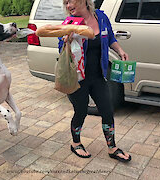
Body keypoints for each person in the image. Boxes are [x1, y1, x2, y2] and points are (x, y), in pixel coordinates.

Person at [59, 0, 131, 162]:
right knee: (81, 112)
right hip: (78, 78)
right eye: (66, 3)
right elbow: (61, 49)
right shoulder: (69, 23)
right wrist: (66, 41)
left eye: (71, 1)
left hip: (98, 76)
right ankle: (75, 143)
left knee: (107, 110)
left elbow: (110, 37)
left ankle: (112, 147)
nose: (68, 6)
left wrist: (120, 50)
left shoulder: (101, 17)